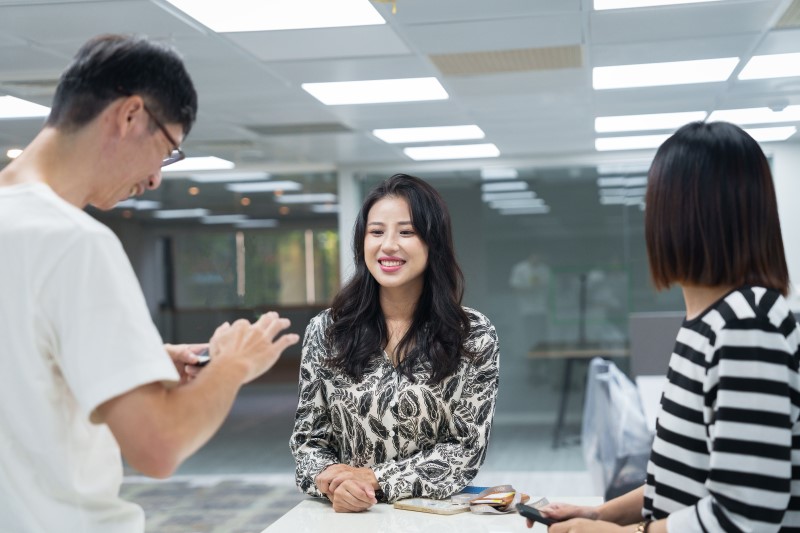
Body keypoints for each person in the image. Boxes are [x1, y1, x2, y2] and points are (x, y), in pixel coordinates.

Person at [0, 34, 299, 532]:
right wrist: (234, 364)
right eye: (168, 149)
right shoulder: (75, 243)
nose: (157, 177)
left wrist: (131, 363)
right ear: (130, 115)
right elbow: (157, 448)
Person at [530, 121, 800, 532]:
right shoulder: (709, 322)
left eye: (655, 201)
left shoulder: (748, 325)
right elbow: (682, 483)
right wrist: (600, 515)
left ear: (685, 215)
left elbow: (744, 517)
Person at [290, 173, 500, 513]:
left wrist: (372, 479)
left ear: (433, 243)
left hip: (431, 518)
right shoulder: (327, 330)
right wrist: (330, 478)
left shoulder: (472, 334)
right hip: (347, 516)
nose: (388, 245)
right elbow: (308, 442)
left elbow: (465, 450)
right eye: (376, 232)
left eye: (407, 232)